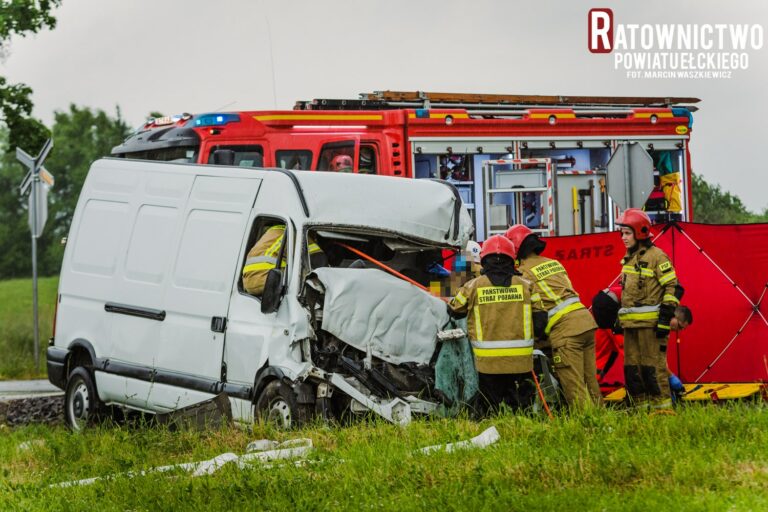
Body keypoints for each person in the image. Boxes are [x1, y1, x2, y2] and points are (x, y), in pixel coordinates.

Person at [506, 224, 602, 408]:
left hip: (566, 332)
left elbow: (526, 309)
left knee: (574, 386)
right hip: (586, 322)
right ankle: (604, 426)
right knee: (590, 382)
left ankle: (588, 430)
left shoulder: (524, 272)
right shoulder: (553, 262)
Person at [447, 235, 541, 414]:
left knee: (490, 411)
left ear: (484, 259)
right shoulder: (528, 286)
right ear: (512, 258)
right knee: (522, 411)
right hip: (521, 363)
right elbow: (541, 320)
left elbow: (454, 310)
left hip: (487, 364)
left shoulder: (472, 286)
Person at [615, 207, 680, 409]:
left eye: (627, 233)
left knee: (653, 369)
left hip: (651, 327)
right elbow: (627, 293)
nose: (623, 238)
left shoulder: (657, 257)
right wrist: (620, 318)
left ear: (640, 232)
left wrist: (664, 318)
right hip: (631, 326)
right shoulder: (628, 259)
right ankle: (639, 411)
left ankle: (662, 413)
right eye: (622, 233)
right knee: (633, 371)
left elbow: (673, 287)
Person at [242, 224, 325, 296]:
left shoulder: (276, 230)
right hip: (265, 278)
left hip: (249, 279)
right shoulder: (299, 235)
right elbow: (319, 259)